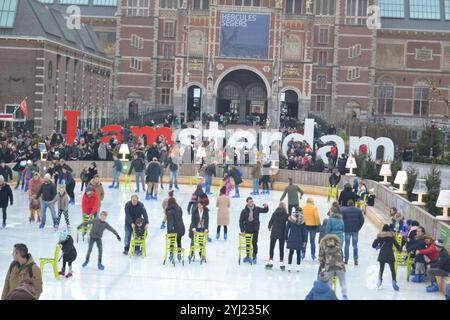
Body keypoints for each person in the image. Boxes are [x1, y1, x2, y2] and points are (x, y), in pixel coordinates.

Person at [239, 197, 269, 264]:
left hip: (255, 229)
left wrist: (266, 206)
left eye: (252, 201)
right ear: (247, 203)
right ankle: (247, 256)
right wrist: (242, 230)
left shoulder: (257, 209)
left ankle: (254, 256)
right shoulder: (244, 211)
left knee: (254, 243)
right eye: (250, 202)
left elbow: (265, 210)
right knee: (248, 243)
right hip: (247, 229)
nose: (251, 203)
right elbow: (241, 221)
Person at [372, 224, 402, 291]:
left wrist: (377, 240)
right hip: (390, 254)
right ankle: (394, 281)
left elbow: (373, 245)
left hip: (382, 254)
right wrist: (400, 249)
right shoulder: (391, 236)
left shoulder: (380, 236)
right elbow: (396, 244)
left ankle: (380, 280)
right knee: (392, 270)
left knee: (381, 269)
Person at [319, 234, 348, 300]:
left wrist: (322, 266)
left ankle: (329, 297)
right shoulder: (338, 244)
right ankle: (345, 296)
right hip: (340, 266)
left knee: (329, 283)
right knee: (343, 282)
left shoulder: (323, 245)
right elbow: (341, 255)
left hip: (329, 266)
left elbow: (321, 257)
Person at [266, 202, 289, 270]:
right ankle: (281, 264)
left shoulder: (274, 213)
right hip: (282, 233)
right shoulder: (286, 215)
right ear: (285, 207)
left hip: (274, 233)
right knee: (281, 248)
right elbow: (292, 221)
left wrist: (269, 227)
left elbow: (271, 221)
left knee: (271, 247)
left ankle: (270, 262)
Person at [341, 200, 365, 265]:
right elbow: (362, 220)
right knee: (355, 245)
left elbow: (342, 220)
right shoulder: (358, 211)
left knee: (347, 245)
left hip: (347, 230)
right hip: (355, 230)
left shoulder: (344, 211)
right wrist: (358, 227)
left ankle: (346, 260)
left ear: (348, 204)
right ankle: (355, 259)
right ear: (353, 204)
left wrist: (344, 228)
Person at [285, 207, 307, 272]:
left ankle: (289, 267)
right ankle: (298, 267)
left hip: (291, 237)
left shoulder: (290, 218)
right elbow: (304, 231)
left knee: (291, 253)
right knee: (298, 252)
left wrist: (286, 237)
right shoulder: (303, 220)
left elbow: (287, 229)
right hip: (299, 238)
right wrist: (304, 240)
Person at [166, 197, 185, 263]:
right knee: (179, 242)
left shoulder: (169, 211)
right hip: (181, 228)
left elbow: (170, 222)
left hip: (174, 230)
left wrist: (170, 230)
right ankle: (179, 255)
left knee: (172, 242)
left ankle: (171, 254)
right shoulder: (179, 208)